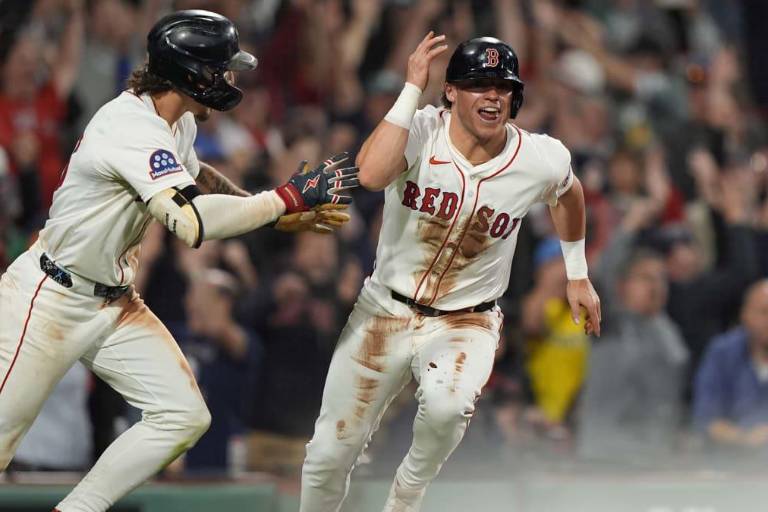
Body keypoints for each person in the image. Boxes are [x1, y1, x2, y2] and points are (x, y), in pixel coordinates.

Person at [0, 10, 358, 512]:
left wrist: (270, 212)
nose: (230, 79)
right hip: (47, 297)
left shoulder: (176, 119)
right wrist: (283, 200)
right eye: (222, 68)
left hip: (109, 300)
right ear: (192, 73)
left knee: (183, 414)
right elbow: (190, 222)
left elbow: (198, 178)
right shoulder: (130, 126)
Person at [300, 33, 601, 512]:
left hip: (467, 319)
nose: (492, 96)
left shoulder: (540, 157)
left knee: (447, 407)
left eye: (502, 87)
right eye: (478, 84)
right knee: (328, 454)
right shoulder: (420, 129)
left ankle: (407, 493)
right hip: (385, 308)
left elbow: (569, 193)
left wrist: (577, 273)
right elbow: (373, 175)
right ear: (452, 92)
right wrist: (410, 88)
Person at [693, 279, 768, 455]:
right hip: (729, 462)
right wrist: (745, 439)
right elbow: (706, 418)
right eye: (765, 312)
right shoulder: (722, 352)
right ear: (745, 314)